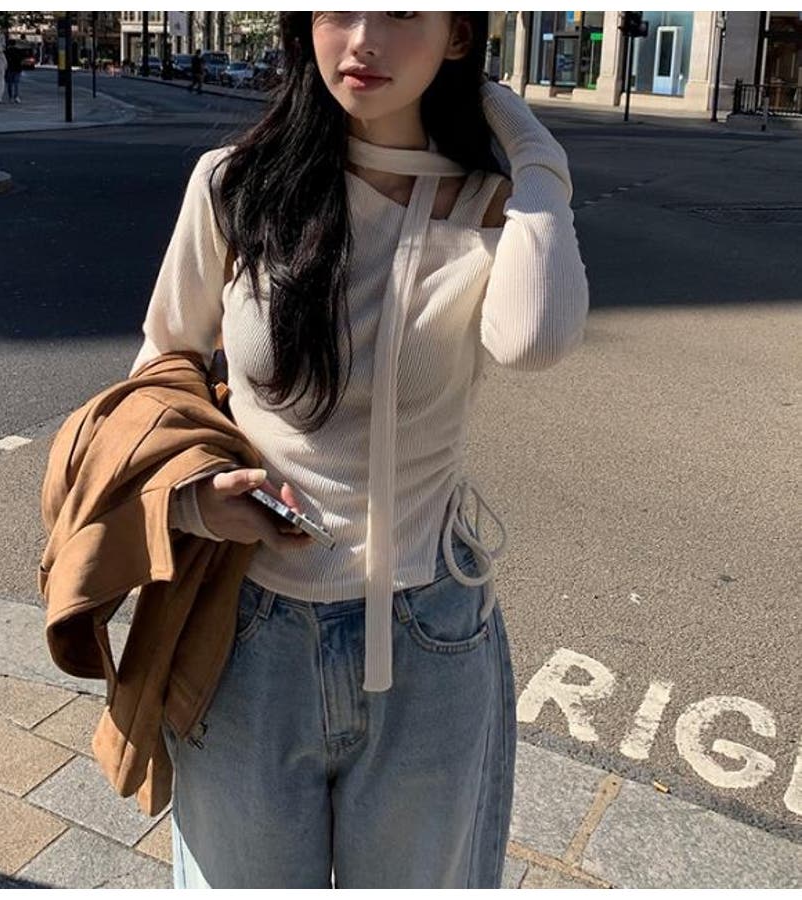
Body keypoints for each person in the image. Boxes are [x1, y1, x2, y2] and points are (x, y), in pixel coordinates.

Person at [131, 11, 588, 889]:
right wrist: (195, 499)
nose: (363, 38)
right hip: (246, 632)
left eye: (405, 11)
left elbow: (535, 336)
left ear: (459, 35)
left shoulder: (491, 205)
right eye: (337, 8)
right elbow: (162, 366)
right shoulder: (234, 186)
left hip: (428, 637)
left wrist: (530, 146)